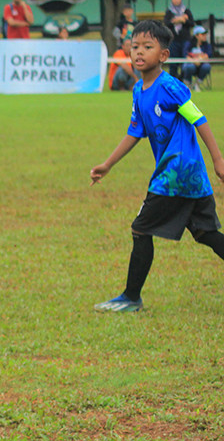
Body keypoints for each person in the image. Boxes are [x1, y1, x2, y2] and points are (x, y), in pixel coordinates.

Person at [89, 21, 224, 313]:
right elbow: (135, 132)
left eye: (147, 47)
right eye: (135, 46)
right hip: (189, 177)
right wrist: (108, 164)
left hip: (176, 172)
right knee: (205, 234)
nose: (139, 52)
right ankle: (130, 297)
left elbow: (199, 119)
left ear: (163, 55)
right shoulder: (139, 89)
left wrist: (218, 160)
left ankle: (130, 297)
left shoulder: (170, 87)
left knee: (140, 229)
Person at [163, 0, 195, 80]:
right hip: (173, 40)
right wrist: (175, 21)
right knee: (173, 62)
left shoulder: (186, 11)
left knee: (185, 61)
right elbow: (166, 24)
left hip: (185, 40)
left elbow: (192, 23)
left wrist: (184, 20)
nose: (176, 0)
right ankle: (173, 81)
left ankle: (184, 80)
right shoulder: (169, 12)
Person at [181, 25, 212, 92]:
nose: (205, 36)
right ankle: (187, 85)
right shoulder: (188, 44)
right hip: (190, 65)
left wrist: (199, 60)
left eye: (205, 34)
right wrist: (194, 61)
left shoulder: (207, 45)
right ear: (196, 36)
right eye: (202, 34)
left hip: (201, 66)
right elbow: (185, 55)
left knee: (207, 66)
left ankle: (197, 84)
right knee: (190, 67)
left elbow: (207, 55)